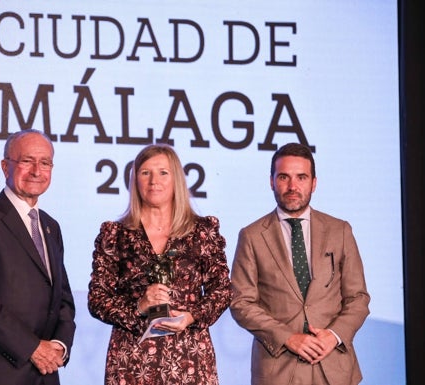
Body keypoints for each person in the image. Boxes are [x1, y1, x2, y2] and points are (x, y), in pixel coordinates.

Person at [88, 143, 233, 385]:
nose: (154, 180)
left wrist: (191, 316)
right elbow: (97, 299)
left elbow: (222, 291)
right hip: (132, 361)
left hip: (190, 358)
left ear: (175, 178)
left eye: (163, 172)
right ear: (135, 180)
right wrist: (138, 306)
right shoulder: (115, 234)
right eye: (145, 172)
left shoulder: (202, 231)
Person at [229, 142, 370, 385]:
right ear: (271, 181)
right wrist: (287, 337)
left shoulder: (340, 231)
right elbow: (241, 303)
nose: (292, 186)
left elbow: (358, 297)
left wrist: (333, 336)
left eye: (301, 177)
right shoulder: (251, 236)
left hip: (334, 368)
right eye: (284, 177)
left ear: (314, 183)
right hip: (278, 369)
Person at [0, 129, 76, 385]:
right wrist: (32, 348)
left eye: (45, 163)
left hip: (44, 372)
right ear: (5, 166)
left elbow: (63, 298)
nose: (36, 171)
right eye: (27, 161)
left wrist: (59, 346)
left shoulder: (51, 226)